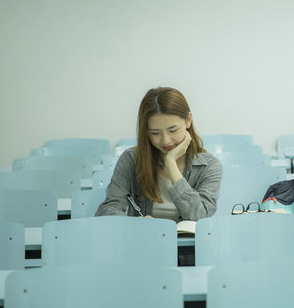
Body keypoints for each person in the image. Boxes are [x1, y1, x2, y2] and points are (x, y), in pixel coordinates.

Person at [96, 87, 223, 221]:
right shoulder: (131, 159)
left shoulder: (209, 166)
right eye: (155, 133)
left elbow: (199, 215)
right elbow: (107, 211)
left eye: (173, 130)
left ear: (188, 120)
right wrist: (135, 224)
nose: (165, 140)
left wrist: (171, 163)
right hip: (143, 240)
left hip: (189, 242)